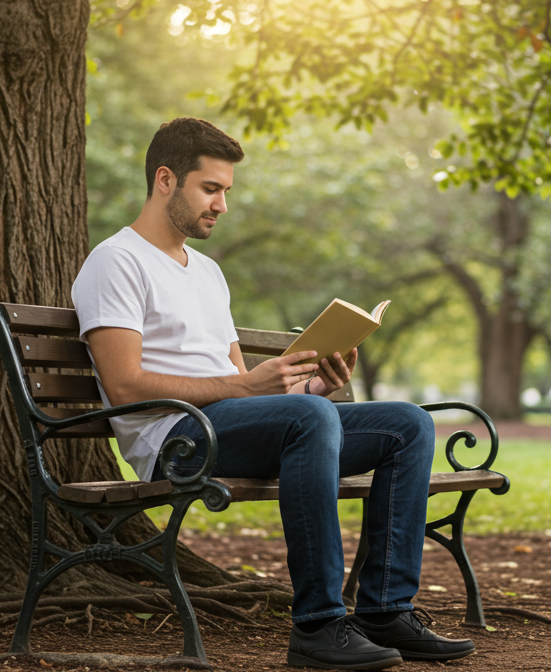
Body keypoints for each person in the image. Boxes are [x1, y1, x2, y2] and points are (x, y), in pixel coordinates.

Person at [71, 117, 475, 670]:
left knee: (408, 425)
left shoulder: (209, 273)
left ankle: (384, 609)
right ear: (165, 179)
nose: (222, 205)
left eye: (226, 192)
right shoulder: (115, 262)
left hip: (233, 422)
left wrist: (313, 386)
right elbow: (123, 384)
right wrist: (255, 389)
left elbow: (244, 383)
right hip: (178, 438)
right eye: (209, 189)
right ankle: (318, 624)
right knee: (312, 417)